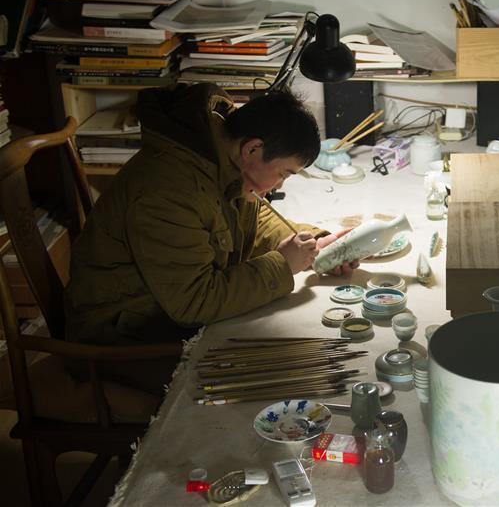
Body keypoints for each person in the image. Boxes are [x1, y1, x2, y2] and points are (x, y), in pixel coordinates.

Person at [66, 84, 357, 362]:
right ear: (253, 149)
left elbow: (250, 215)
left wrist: (313, 243)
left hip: (161, 317)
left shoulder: (219, 152)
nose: (279, 184)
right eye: (284, 173)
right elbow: (194, 302)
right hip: (125, 341)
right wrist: (282, 265)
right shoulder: (170, 192)